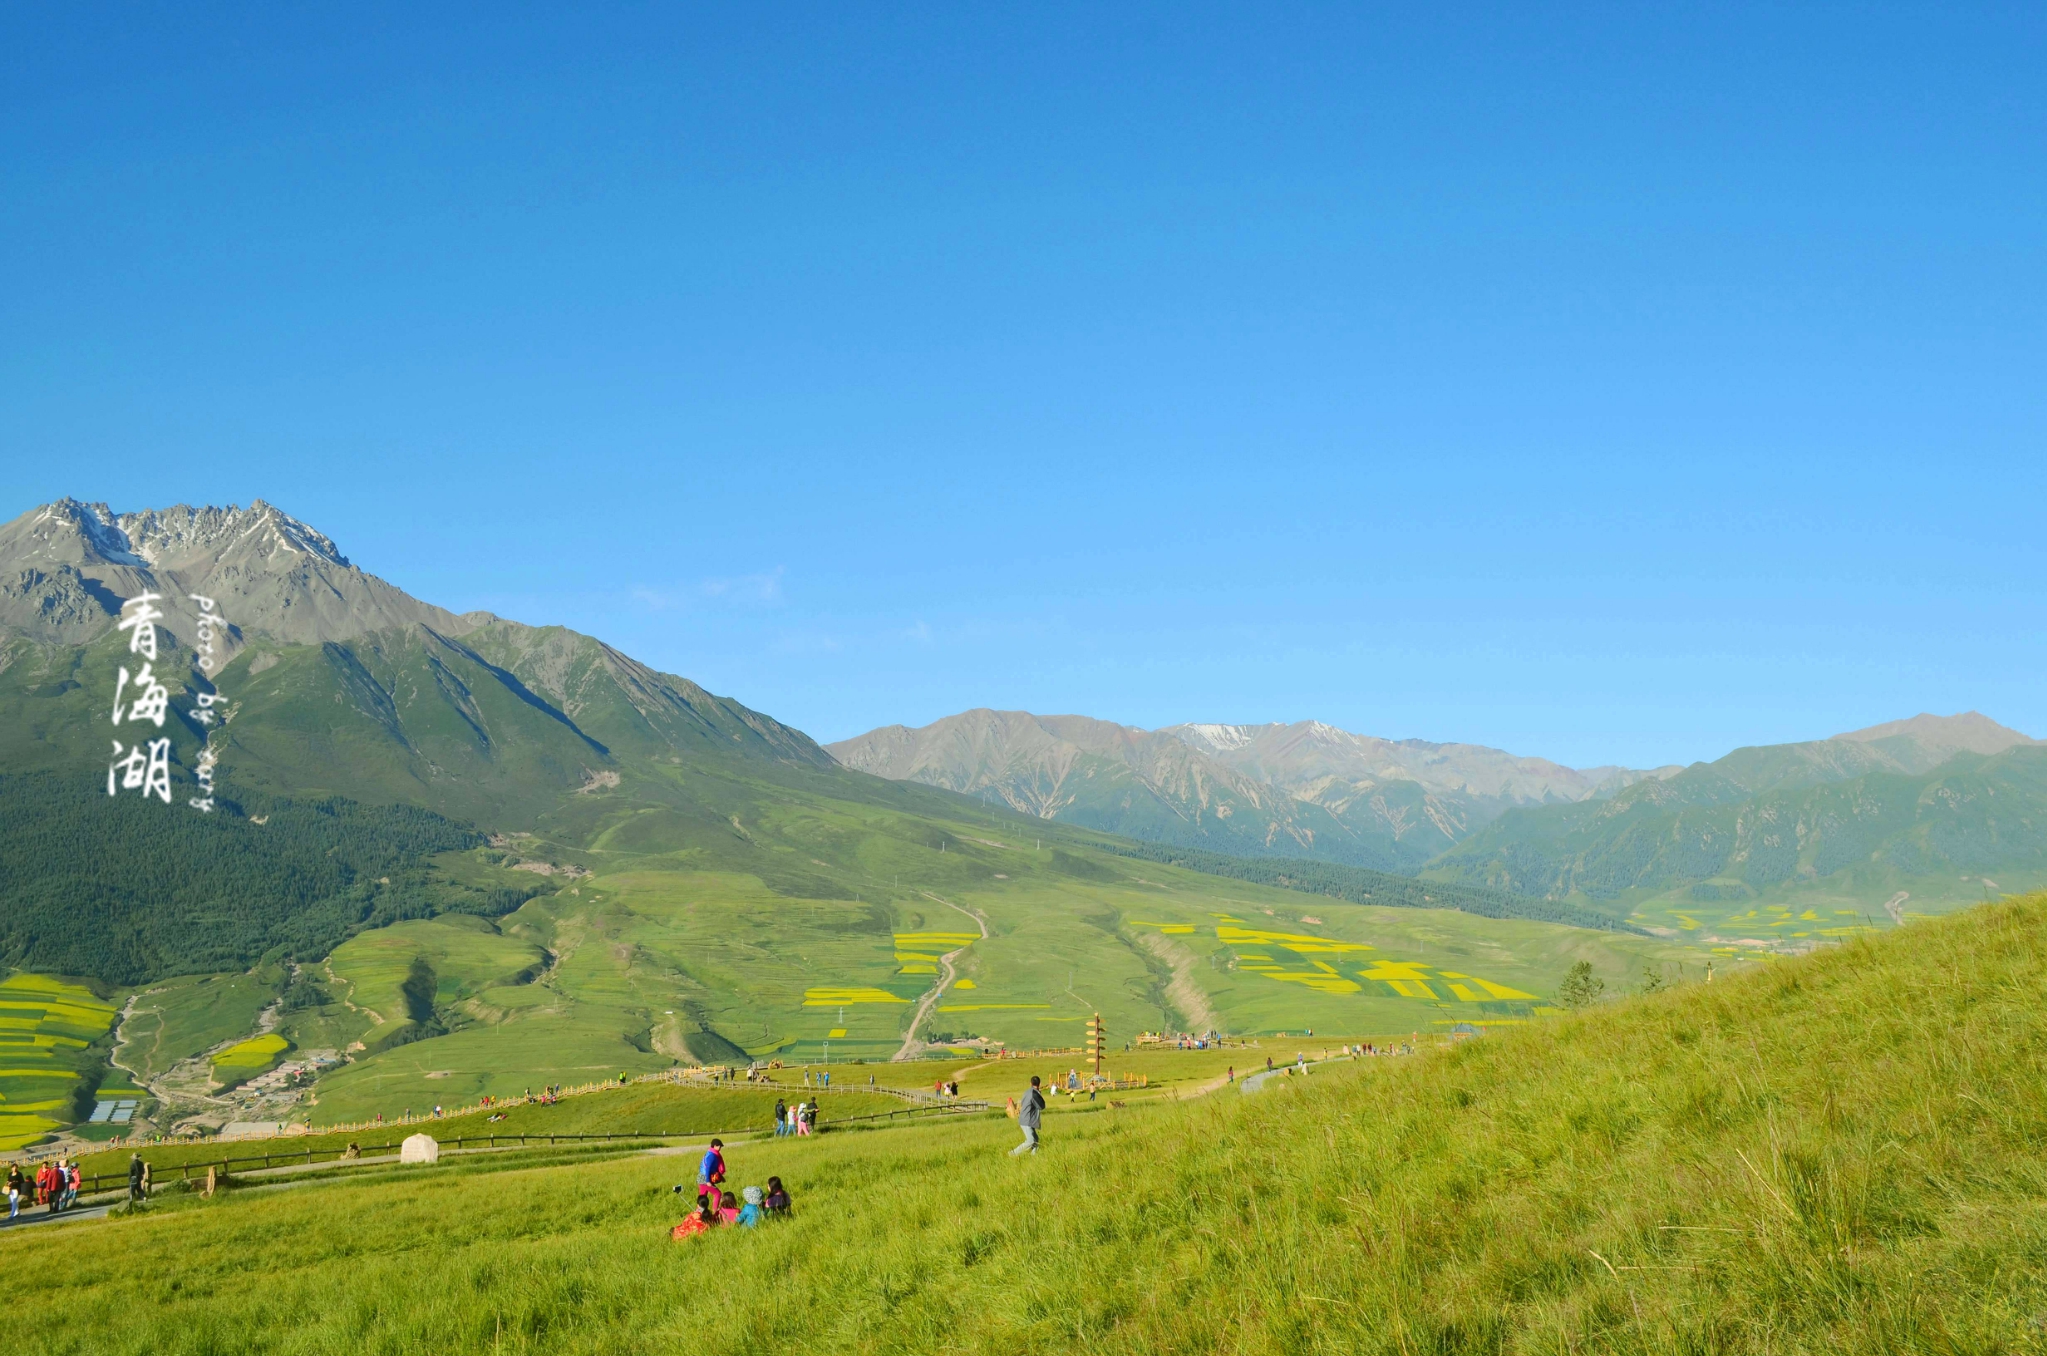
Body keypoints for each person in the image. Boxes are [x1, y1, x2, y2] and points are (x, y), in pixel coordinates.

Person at [1011, 1075, 1045, 1156]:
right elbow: (1041, 1106)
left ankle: (1033, 1156)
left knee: (1035, 1139)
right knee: (1031, 1141)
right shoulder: (1035, 1094)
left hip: (1025, 1118)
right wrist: (1039, 1095)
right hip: (1027, 1120)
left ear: (1030, 1083)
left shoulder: (1027, 1092)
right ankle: (1012, 1154)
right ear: (1039, 1084)